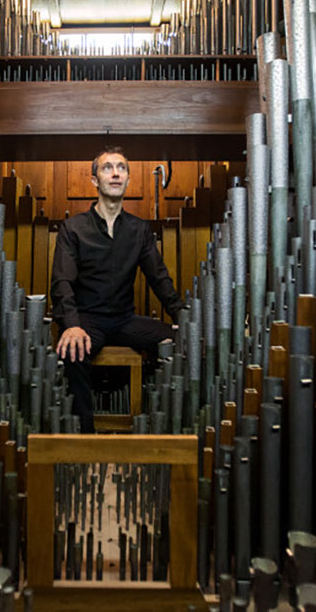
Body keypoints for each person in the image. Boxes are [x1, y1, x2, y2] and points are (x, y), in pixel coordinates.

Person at [51, 146, 184, 432]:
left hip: (125, 320)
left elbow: (159, 278)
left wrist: (185, 320)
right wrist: (71, 325)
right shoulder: (73, 229)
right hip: (87, 320)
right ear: (95, 180)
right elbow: (62, 282)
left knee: (183, 341)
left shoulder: (139, 230)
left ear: (127, 179)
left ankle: (160, 431)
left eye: (121, 168)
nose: (115, 173)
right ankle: (83, 439)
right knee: (74, 352)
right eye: (107, 167)